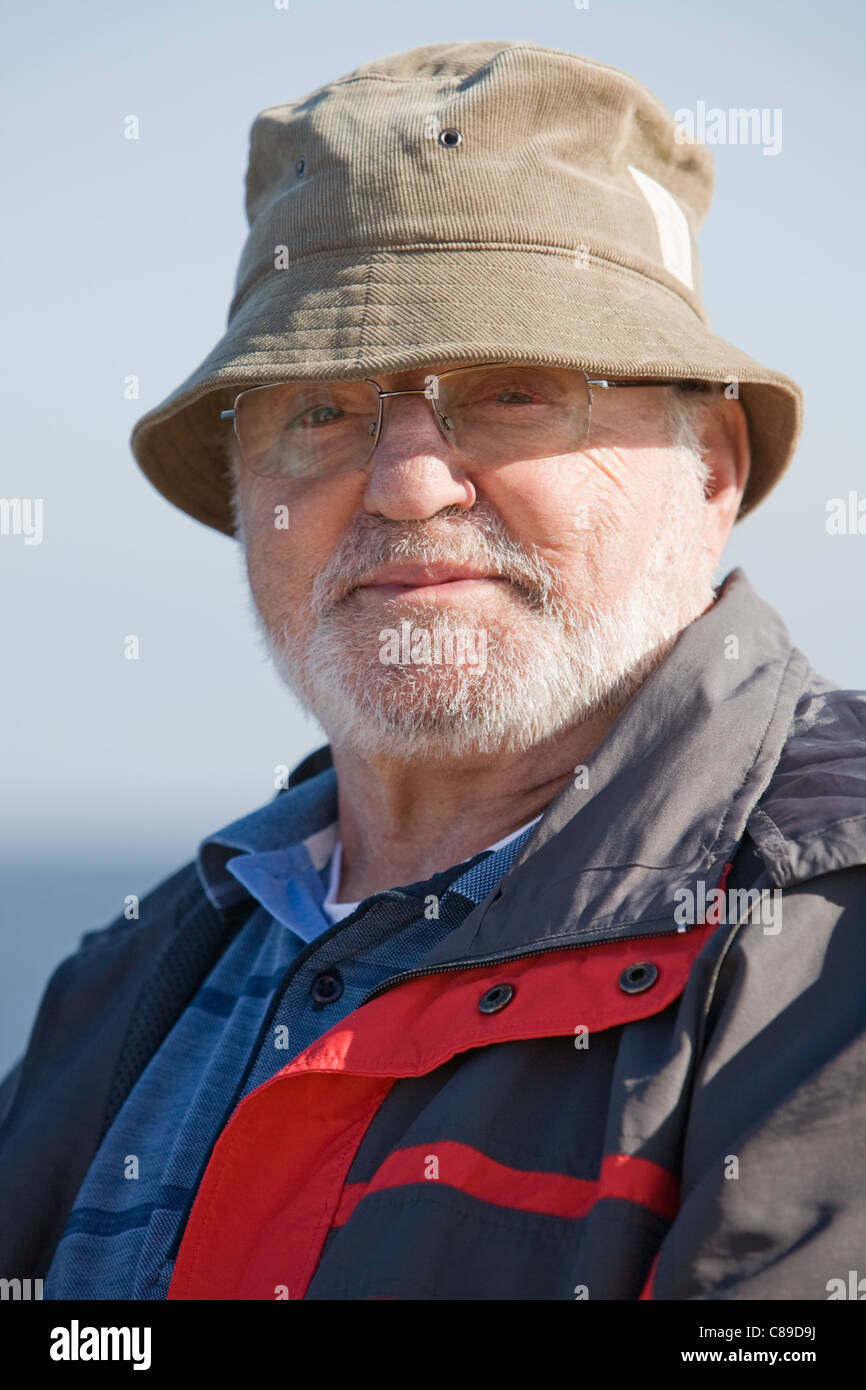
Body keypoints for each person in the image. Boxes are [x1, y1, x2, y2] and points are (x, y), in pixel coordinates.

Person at [2, 39, 865, 1302]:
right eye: (319, 411)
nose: (406, 485)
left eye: (516, 392)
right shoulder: (127, 983)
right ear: (248, 495)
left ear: (711, 468)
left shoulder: (826, 943)